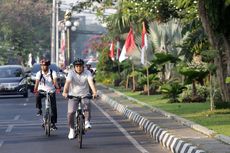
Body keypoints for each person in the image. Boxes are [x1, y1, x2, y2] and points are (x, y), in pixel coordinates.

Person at [62, 58, 97, 140]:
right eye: (77, 66)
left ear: (83, 66)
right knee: (71, 112)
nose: (79, 68)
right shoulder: (71, 73)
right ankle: (71, 129)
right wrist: (65, 92)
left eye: (80, 66)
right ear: (74, 67)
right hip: (73, 95)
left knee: (87, 105)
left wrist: (94, 92)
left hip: (84, 94)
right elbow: (67, 83)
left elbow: (91, 82)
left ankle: (87, 122)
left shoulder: (87, 72)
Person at [34, 59, 60, 130]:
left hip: (51, 91)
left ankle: (53, 123)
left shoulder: (53, 72)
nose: (43, 67)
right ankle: (39, 109)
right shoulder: (39, 73)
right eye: (42, 66)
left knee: (53, 107)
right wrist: (35, 90)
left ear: (48, 66)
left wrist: (57, 88)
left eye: (45, 65)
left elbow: (55, 81)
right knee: (37, 96)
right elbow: (36, 82)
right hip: (42, 90)